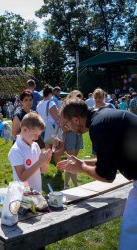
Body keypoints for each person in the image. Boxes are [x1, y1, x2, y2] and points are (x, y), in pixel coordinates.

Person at [57, 98, 137, 250]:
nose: (67, 128)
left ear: (75, 119)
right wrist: (82, 162)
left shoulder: (98, 127)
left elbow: (106, 175)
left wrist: (81, 167)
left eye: (66, 124)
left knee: (131, 238)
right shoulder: (102, 116)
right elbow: (108, 158)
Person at [8, 112, 52, 192]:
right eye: (35, 134)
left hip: (37, 191)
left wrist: (46, 160)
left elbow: (43, 170)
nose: (37, 138)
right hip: (23, 195)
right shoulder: (16, 150)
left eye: (38, 135)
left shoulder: (35, 145)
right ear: (24, 129)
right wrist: (39, 162)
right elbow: (22, 177)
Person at [36, 84, 60, 149]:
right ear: (50, 94)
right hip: (51, 126)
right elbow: (57, 117)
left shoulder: (39, 104)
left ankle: (48, 157)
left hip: (42, 126)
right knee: (53, 143)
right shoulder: (51, 103)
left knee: (47, 144)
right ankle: (52, 157)